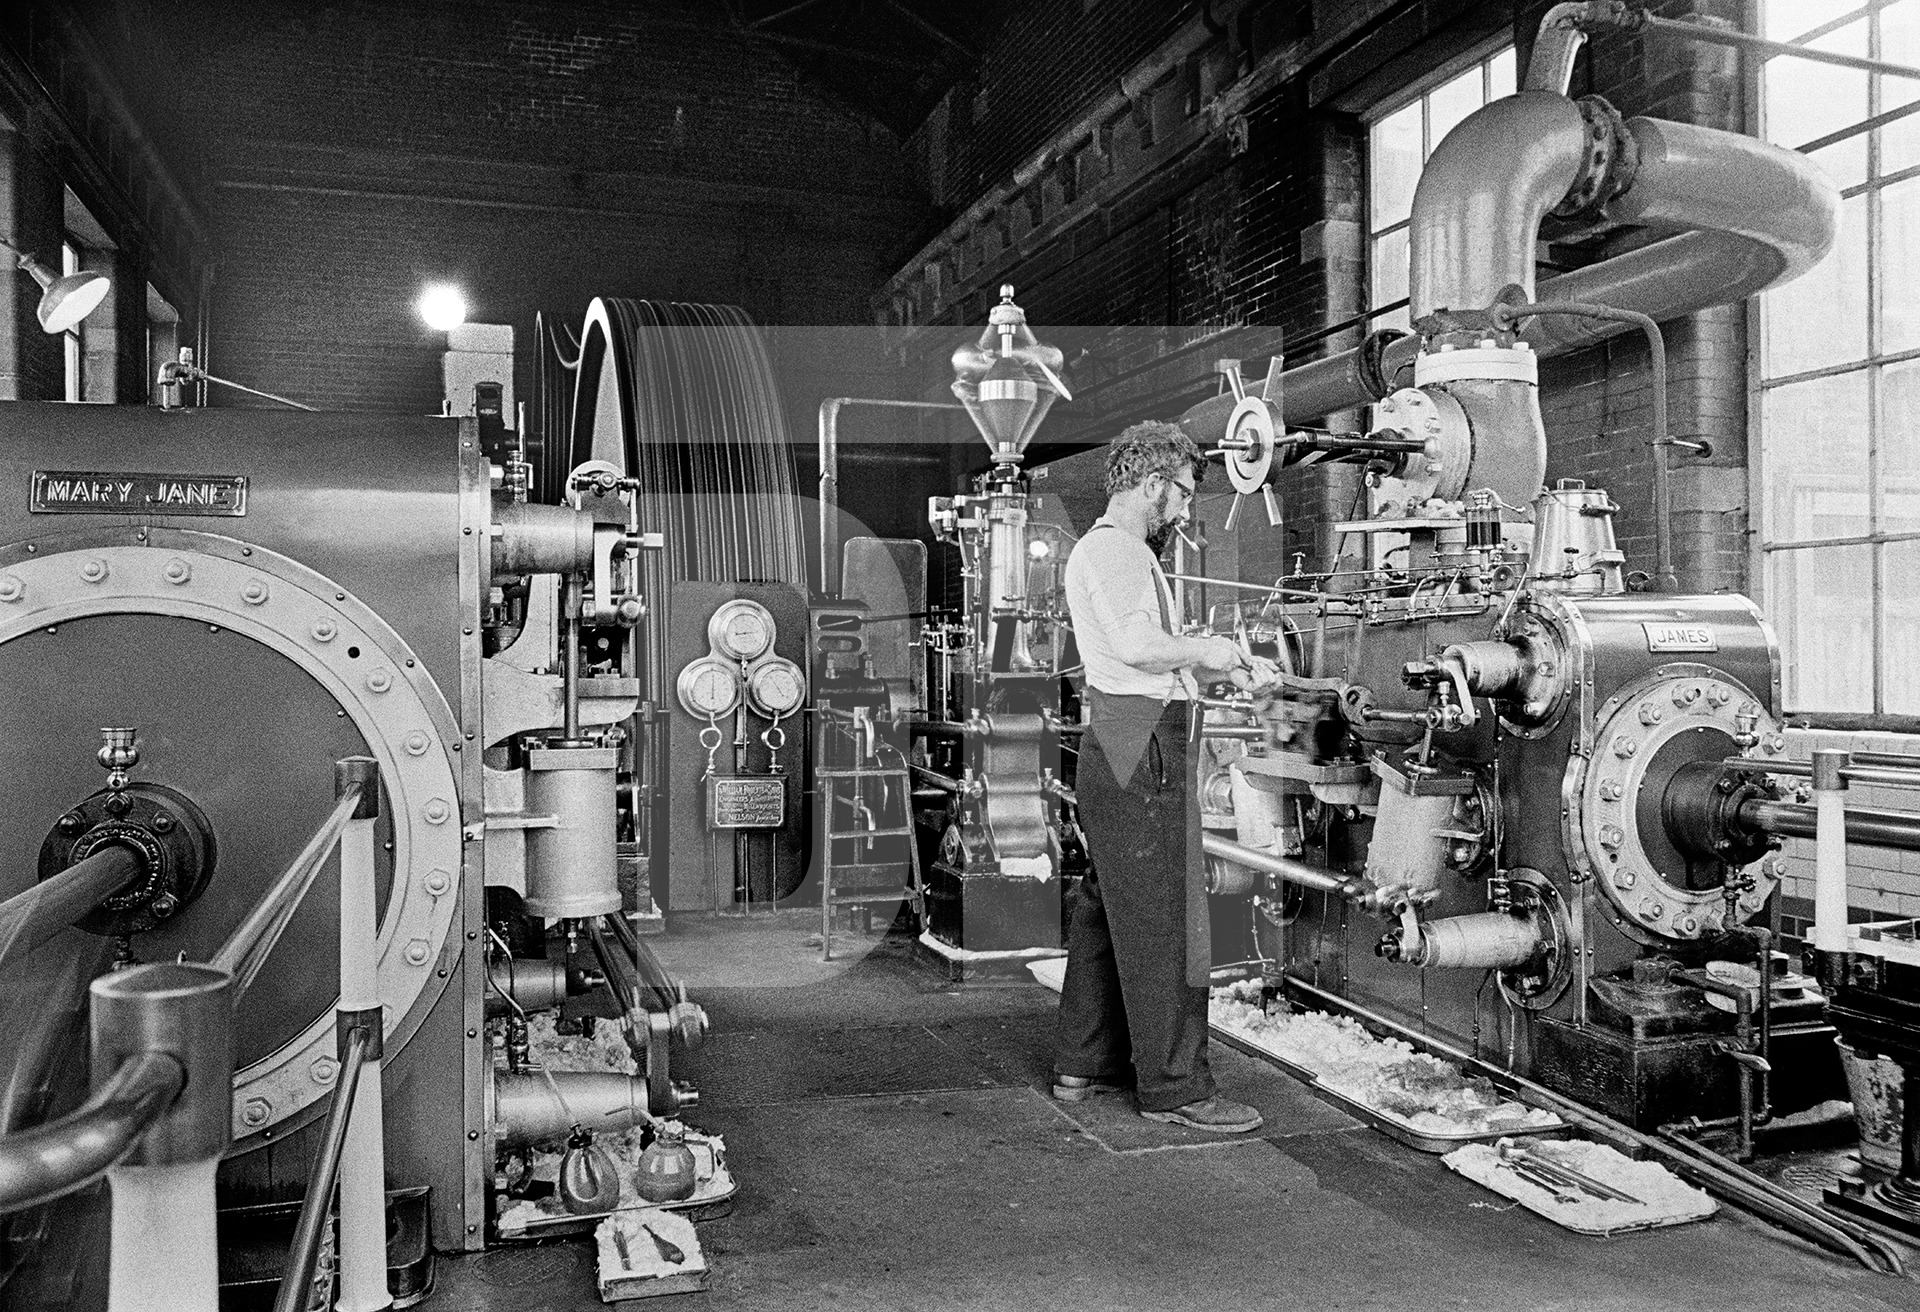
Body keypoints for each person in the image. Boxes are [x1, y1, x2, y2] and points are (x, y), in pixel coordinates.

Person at [1053, 420, 1278, 1133]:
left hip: (1117, 737)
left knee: (1108, 906)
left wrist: (1207, 660)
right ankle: (1178, 1089)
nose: (1183, 511)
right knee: (1167, 923)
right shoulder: (1116, 549)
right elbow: (1135, 644)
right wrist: (1211, 650)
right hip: (1143, 739)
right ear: (1150, 485)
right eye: (1180, 494)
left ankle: (1082, 1063)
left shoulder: (1103, 550)